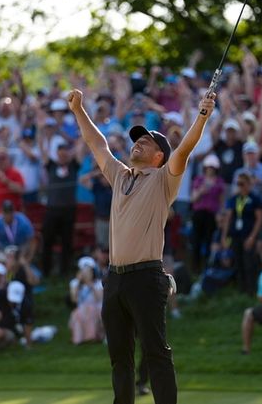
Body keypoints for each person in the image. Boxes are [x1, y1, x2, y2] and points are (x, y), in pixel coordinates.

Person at [69, 88, 212, 404]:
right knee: (120, 359)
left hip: (146, 277)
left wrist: (202, 115)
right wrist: (79, 110)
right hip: (116, 278)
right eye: (137, 139)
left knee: (155, 353)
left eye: (145, 141)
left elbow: (185, 150)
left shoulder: (164, 179)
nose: (137, 142)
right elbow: (98, 144)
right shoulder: (121, 175)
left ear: (159, 155)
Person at [40, 142, 80, 276]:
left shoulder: (74, 165)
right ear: (57, 152)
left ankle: (64, 272)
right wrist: (40, 130)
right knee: (47, 241)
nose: (63, 153)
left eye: (65, 150)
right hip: (52, 209)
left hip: (68, 210)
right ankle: (46, 271)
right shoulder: (51, 165)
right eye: (60, 150)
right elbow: (42, 150)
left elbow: (82, 148)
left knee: (67, 243)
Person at [221, 173, 262, 295]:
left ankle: (252, 290)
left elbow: (259, 219)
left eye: (242, 184)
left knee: (249, 263)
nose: (239, 186)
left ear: (249, 184)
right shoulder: (234, 199)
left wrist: (252, 237)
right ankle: (241, 290)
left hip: (248, 235)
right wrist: (224, 236)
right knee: (238, 262)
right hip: (236, 235)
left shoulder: (255, 199)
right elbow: (228, 218)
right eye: (238, 184)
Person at [190, 154, 225, 271]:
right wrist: (202, 190)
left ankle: (206, 268)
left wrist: (220, 215)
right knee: (196, 241)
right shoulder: (199, 180)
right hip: (199, 214)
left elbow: (221, 201)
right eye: (209, 167)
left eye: (212, 167)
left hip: (211, 215)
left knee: (209, 240)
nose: (210, 169)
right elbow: (193, 198)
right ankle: (195, 268)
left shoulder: (219, 182)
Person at [68, 256, 104, 344]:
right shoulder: (74, 284)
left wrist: (90, 284)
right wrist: (78, 283)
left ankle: (97, 336)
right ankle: (80, 338)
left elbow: (99, 299)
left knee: (93, 312)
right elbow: (74, 300)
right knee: (77, 315)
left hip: (96, 307)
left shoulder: (98, 283)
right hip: (82, 309)